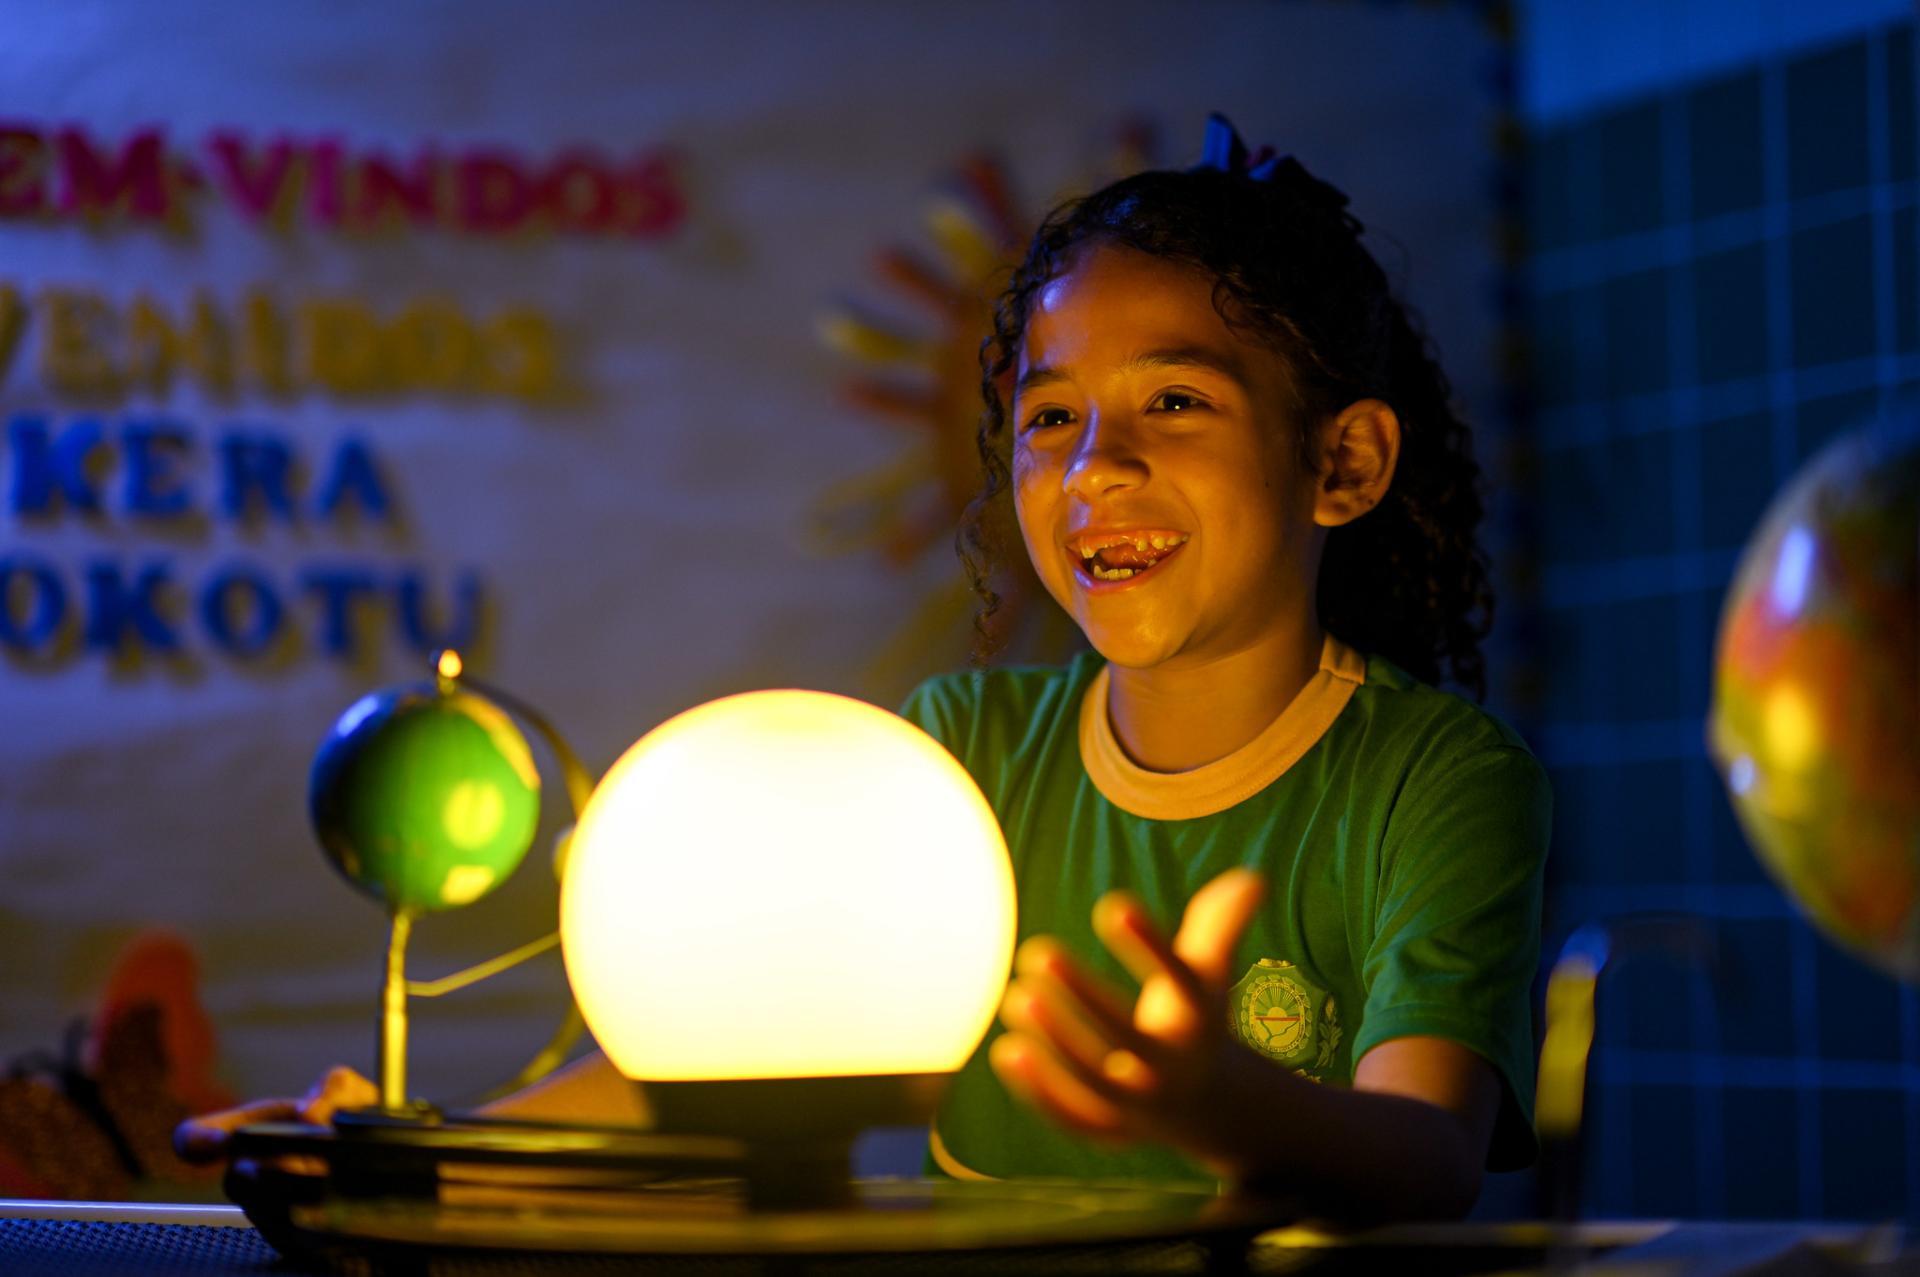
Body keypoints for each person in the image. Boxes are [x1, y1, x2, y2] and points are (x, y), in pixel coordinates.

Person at [179, 116, 1549, 1225]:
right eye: (1051, 417)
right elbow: (724, 1076)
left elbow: (1426, 1155)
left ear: (1345, 462)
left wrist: (1220, 1100)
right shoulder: (957, 755)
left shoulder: (1435, 777)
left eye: (1175, 401)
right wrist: (408, 1155)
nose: (1095, 468)